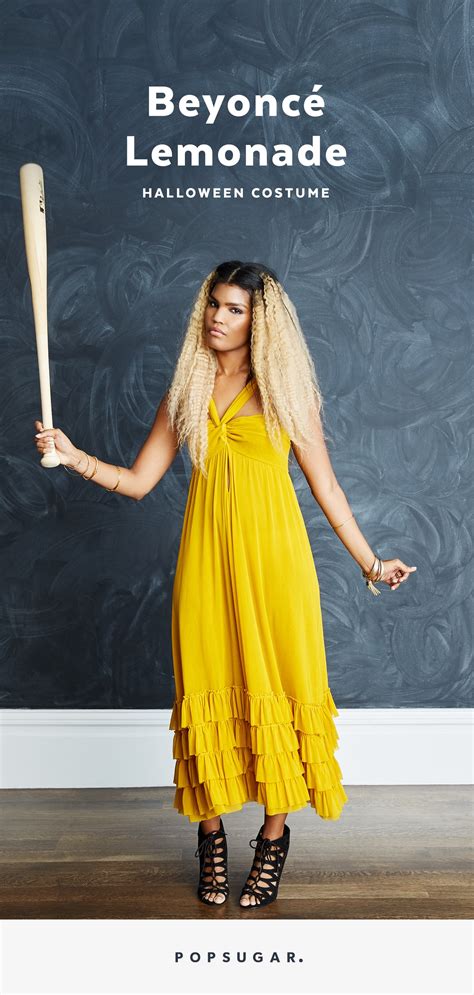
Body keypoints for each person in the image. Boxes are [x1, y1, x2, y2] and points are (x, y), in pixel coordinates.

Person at [34, 260, 416, 910]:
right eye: (214, 303)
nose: (217, 316)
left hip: (276, 568)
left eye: (234, 308)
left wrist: (371, 563)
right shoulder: (187, 387)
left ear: (260, 321)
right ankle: (210, 838)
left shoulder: (286, 393)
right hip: (205, 565)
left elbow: (327, 489)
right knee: (206, 687)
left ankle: (272, 838)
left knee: (278, 690)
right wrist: (75, 458)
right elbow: (139, 481)